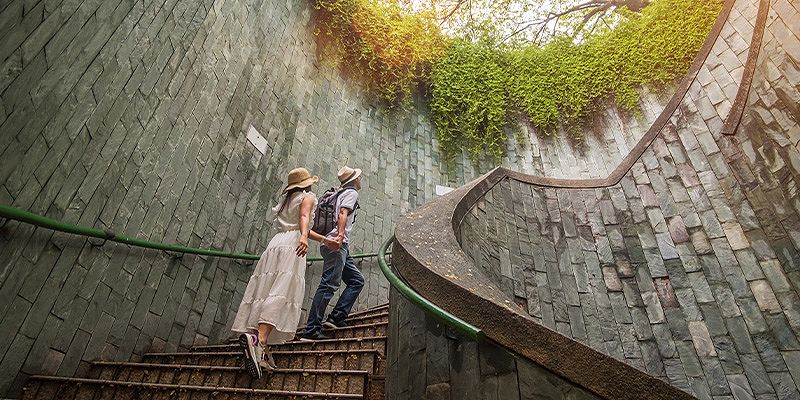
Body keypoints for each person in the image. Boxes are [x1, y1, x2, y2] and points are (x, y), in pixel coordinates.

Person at [231, 167, 336, 379]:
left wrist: (322, 239)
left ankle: (262, 350)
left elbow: (299, 225)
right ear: (306, 184)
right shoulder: (308, 197)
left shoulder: (288, 201)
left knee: (266, 288)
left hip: (276, 244)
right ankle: (258, 339)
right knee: (282, 292)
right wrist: (304, 239)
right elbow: (304, 219)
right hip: (293, 247)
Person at [301, 166, 365, 341]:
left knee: (357, 280)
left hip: (336, 246)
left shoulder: (339, 192)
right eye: (359, 177)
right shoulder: (351, 194)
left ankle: (336, 317)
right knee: (328, 285)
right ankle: (312, 329)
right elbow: (343, 213)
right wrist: (340, 235)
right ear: (354, 181)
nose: (361, 180)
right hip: (337, 245)